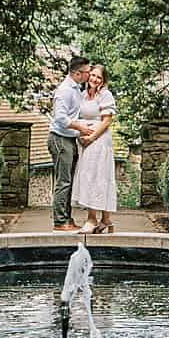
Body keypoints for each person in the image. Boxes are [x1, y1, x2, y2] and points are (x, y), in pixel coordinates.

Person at [72, 63, 118, 234]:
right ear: (88, 75)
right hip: (86, 143)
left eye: (99, 77)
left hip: (99, 141)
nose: (95, 79)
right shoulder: (83, 95)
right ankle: (106, 220)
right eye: (93, 75)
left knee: (98, 176)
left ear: (103, 81)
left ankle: (93, 219)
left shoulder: (105, 95)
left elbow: (106, 121)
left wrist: (91, 137)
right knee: (90, 176)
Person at [47, 52, 91, 232]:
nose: (90, 74)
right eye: (87, 72)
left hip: (69, 139)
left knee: (69, 181)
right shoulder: (64, 90)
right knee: (63, 181)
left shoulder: (76, 90)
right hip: (60, 139)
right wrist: (81, 128)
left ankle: (67, 218)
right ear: (77, 73)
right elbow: (60, 118)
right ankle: (59, 221)